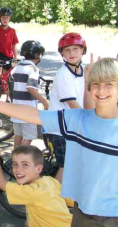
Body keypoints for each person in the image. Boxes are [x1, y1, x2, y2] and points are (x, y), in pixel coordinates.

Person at [0, 57, 118, 226]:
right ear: (89, 87)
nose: (101, 90)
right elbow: (34, 114)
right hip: (81, 211)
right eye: (96, 84)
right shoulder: (78, 119)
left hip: (114, 217)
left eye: (109, 84)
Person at [0, 145, 73, 227]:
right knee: (28, 222)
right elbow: (71, 201)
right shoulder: (50, 180)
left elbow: (0, 183)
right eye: (15, 164)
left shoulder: (32, 191)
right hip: (70, 223)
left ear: (39, 169)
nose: (18, 169)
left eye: (25, 165)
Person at [47, 32, 87, 183]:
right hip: (59, 127)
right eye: (67, 50)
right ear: (62, 54)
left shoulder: (84, 70)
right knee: (66, 166)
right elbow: (73, 104)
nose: (71, 53)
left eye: (75, 49)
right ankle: (53, 200)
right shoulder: (63, 74)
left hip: (73, 124)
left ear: (83, 50)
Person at [11, 40, 49, 149]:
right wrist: (44, 101)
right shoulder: (33, 69)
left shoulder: (17, 67)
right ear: (37, 55)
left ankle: (15, 156)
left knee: (18, 134)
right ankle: (21, 156)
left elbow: (11, 86)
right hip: (28, 111)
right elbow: (31, 88)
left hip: (15, 108)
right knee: (29, 136)